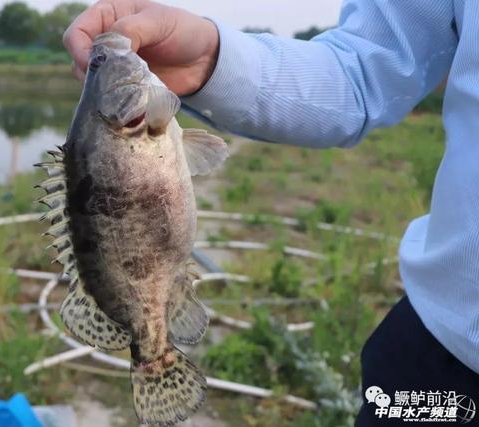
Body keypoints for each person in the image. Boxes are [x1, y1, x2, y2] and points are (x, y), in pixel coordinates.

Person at [63, 0, 479, 425]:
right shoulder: (137, 123)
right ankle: (154, 354)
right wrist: (210, 58)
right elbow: (362, 72)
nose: (103, 60)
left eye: (100, 66)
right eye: (100, 67)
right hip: (441, 350)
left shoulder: (136, 123)